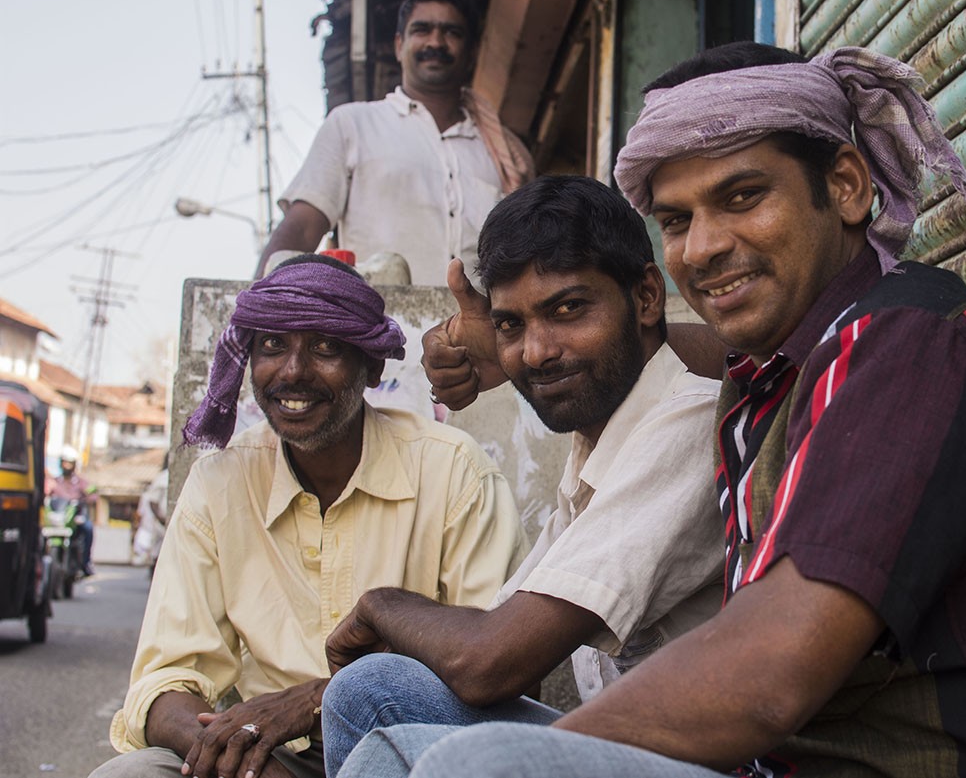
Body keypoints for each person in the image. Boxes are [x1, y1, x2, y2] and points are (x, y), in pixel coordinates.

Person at [340, 43, 966, 777]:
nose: (704, 246)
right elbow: (669, 346)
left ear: (846, 186)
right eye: (678, 220)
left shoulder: (910, 344)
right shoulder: (776, 375)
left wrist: (546, 755)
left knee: (482, 769)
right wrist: (518, 350)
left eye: (743, 196)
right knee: (376, 700)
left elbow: (770, 675)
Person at [319, 175, 724, 776]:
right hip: (616, 747)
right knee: (368, 690)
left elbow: (493, 661)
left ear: (645, 298)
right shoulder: (599, 439)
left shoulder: (686, 423)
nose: (535, 353)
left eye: (567, 310)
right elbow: (496, 634)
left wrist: (381, 606)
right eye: (511, 326)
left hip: (693, 762)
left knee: (452, 758)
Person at [90, 254, 527, 778]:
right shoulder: (219, 484)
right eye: (273, 345)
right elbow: (165, 681)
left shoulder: (454, 471)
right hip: (269, 757)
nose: (293, 372)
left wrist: (316, 702)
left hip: (410, 750)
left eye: (325, 347)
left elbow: (503, 672)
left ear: (371, 367)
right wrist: (240, 758)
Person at [256, 0, 534, 284]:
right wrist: (250, 309)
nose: (436, 42)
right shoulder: (353, 124)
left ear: (472, 52)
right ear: (399, 45)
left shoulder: (505, 154)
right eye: (422, 30)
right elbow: (303, 228)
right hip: (378, 325)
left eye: (451, 32)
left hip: (484, 327)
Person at [46, 445, 98, 576]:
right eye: (64, 462)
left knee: (88, 528)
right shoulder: (55, 482)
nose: (67, 466)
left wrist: (87, 498)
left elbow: (93, 494)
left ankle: (85, 562)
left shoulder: (80, 483)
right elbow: (46, 492)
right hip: (59, 518)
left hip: (75, 518)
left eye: (69, 463)